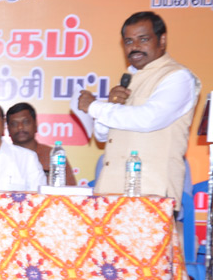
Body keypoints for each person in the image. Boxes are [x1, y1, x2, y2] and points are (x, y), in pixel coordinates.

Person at [78, 11, 200, 211]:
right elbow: (102, 135)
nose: (134, 46)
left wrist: (95, 106)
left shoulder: (177, 77)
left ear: (162, 40)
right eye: (128, 41)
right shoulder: (129, 80)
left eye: (143, 39)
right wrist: (110, 105)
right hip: (111, 192)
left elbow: (149, 119)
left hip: (152, 195)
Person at [6, 102, 77, 185]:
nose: (20, 127)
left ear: (35, 125)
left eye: (25, 122)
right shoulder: (3, 156)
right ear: (8, 129)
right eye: (14, 124)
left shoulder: (53, 155)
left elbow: (70, 189)